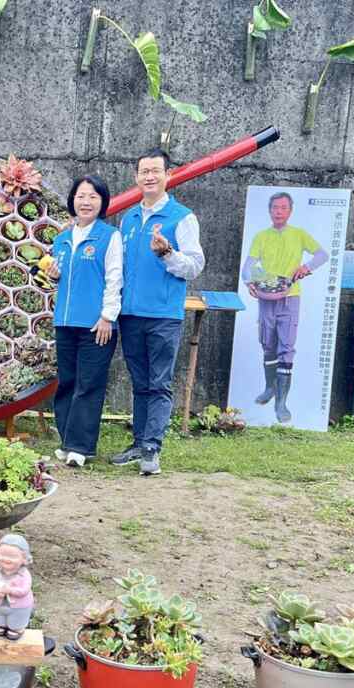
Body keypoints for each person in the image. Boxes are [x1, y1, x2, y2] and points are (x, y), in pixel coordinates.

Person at [112, 149, 205, 475]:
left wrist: (167, 254)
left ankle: (152, 447)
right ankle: (139, 442)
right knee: (139, 381)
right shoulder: (129, 219)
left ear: (168, 175)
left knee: (159, 382)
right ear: (136, 177)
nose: (149, 177)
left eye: (155, 171)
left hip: (164, 315)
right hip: (131, 314)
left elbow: (194, 266)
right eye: (143, 172)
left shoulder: (182, 217)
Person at [46, 174, 122, 467]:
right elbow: (61, 281)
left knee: (89, 384)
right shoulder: (61, 239)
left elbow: (115, 279)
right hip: (65, 321)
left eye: (92, 196)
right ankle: (67, 441)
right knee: (67, 382)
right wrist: (52, 277)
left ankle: (81, 447)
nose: (86, 201)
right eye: (80, 196)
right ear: (72, 200)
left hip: (96, 324)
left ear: (102, 201)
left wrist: (107, 317)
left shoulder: (109, 236)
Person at [240, 191, 328, 423]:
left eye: (283, 208)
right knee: (267, 343)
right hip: (266, 297)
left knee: (286, 347)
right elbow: (248, 265)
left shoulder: (299, 234)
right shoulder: (261, 236)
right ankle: (270, 388)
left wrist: (306, 268)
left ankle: (281, 403)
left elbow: (322, 254)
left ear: (290, 211)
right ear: (269, 211)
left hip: (290, 297)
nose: (278, 211)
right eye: (275, 208)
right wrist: (249, 281)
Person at [0, 534, 33, 642]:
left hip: (18, 606)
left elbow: (24, 590)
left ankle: (16, 629)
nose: (6, 559)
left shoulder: (24, 574)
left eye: (12, 556)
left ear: (24, 558)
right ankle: (1, 626)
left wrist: (10, 590)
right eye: (2, 555)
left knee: (16, 621)